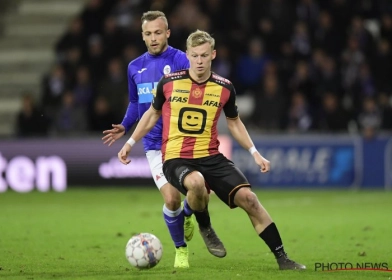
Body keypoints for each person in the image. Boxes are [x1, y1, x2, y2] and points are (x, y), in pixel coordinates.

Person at [117, 29, 306, 270]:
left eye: (204, 55)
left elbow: (234, 122)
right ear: (187, 55)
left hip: (211, 157)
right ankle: (205, 226)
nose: (199, 61)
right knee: (195, 183)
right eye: (194, 56)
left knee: (250, 199)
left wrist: (254, 152)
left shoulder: (224, 87)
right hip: (176, 158)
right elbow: (151, 115)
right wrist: (130, 143)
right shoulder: (169, 83)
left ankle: (283, 258)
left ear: (213, 55)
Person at [101, 11, 225, 269]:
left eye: (158, 32)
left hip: (184, 142)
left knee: (199, 194)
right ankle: (181, 250)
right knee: (171, 200)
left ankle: (189, 215)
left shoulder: (183, 59)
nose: (153, 38)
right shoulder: (134, 66)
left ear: (167, 33)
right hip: (155, 144)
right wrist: (125, 126)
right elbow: (137, 102)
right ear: (142, 36)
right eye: (148, 33)